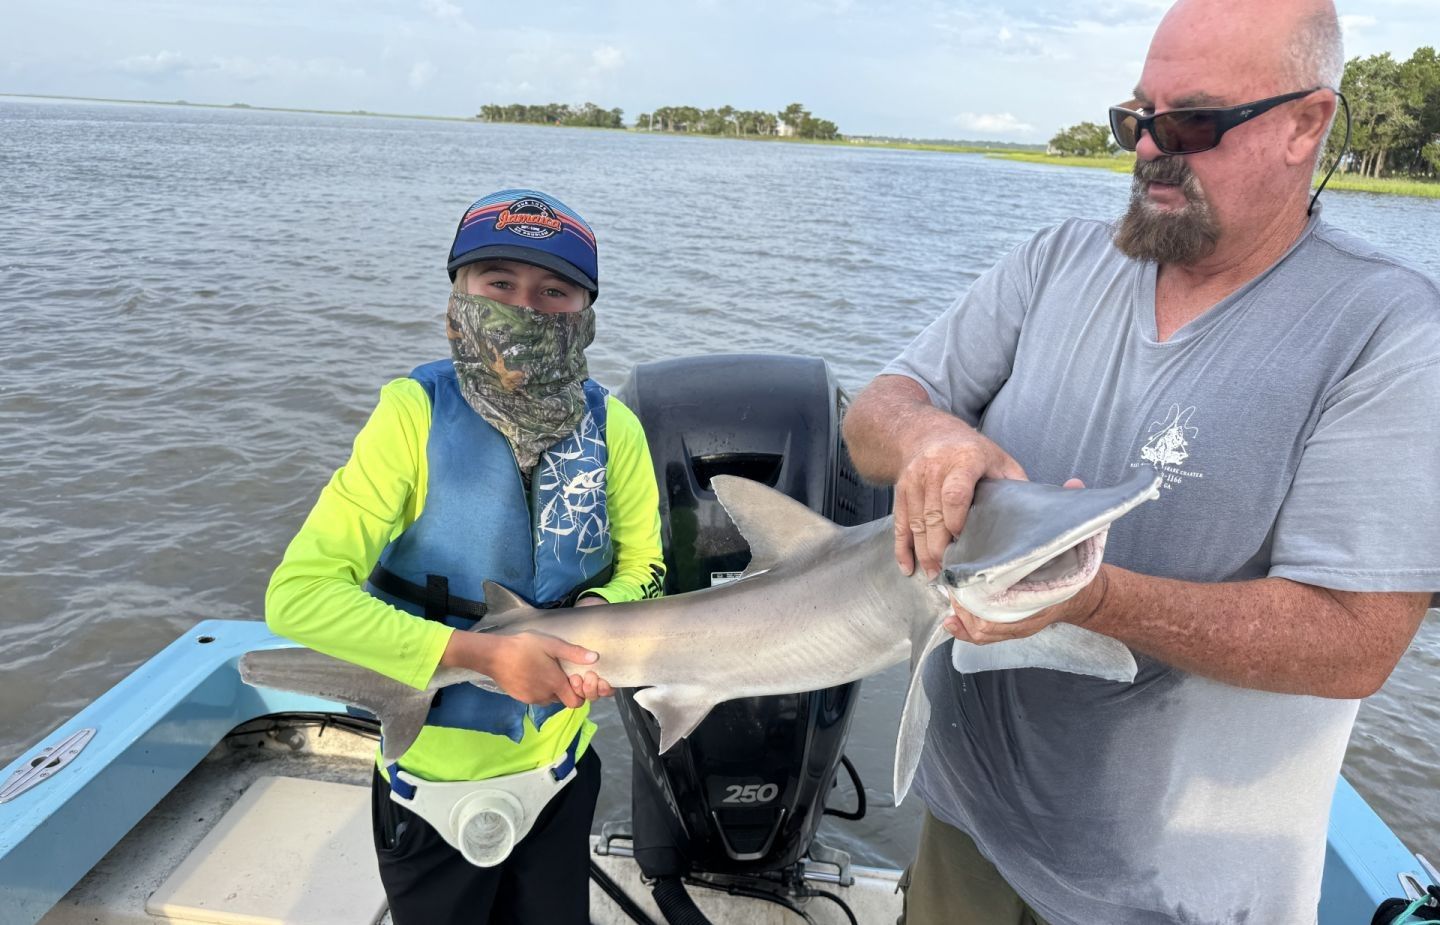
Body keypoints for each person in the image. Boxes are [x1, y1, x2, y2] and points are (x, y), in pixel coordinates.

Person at [843, 1, 1440, 923]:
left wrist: (1092, 598)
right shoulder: (1053, 262)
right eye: (1138, 119)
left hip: (1175, 892)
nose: (1151, 150)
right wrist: (934, 437)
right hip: (967, 825)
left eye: (1193, 122)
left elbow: (1357, 640)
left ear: (1305, 125)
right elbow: (876, 411)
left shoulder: (1389, 331)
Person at [265, 189, 665, 924]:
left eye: (555, 291)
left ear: (587, 310)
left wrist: (601, 618)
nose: (527, 308)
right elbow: (299, 593)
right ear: (458, 298)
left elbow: (646, 561)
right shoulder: (410, 415)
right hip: (429, 783)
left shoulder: (619, 431)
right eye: (499, 284)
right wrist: (477, 653)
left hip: (561, 771)